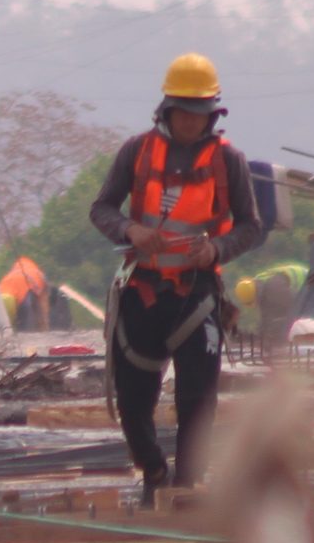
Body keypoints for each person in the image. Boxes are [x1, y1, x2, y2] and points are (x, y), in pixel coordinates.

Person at [90, 53, 267, 497]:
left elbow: (251, 225)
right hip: (142, 292)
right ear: (167, 109)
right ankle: (153, 474)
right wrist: (131, 229)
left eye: (200, 114)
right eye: (184, 113)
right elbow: (102, 208)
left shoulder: (230, 161)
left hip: (197, 296)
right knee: (133, 403)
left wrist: (215, 249)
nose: (192, 122)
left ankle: (188, 487)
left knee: (197, 401)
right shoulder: (136, 151)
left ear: (213, 114)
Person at [232, 259, 310, 353]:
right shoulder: (260, 286)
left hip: (311, 283)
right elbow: (267, 317)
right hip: (302, 286)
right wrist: (262, 337)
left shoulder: (274, 289)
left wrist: (281, 339)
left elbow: (295, 309)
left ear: (255, 295)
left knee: (289, 321)